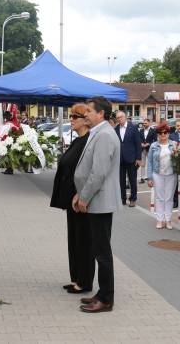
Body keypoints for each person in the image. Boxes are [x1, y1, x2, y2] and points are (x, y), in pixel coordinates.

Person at [73, 97, 121, 313]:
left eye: (90, 111)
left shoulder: (104, 135)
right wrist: (79, 193)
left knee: (102, 252)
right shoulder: (99, 132)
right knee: (98, 249)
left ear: (101, 114)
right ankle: (102, 294)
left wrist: (84, 198)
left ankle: (106, 299)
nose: (86, 114)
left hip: (99, 201)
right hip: (95, 199)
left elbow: (98, 172)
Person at [50, 104, 94, 295]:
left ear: (86, 120)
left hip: (81, 200)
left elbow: (91, 172)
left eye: (76, 116)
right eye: (71, 116)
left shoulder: (88, 142)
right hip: (71, 199)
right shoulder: (78, 141)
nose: (72, 119)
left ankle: (84, 282)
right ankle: (76, 277)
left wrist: (81, 195)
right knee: (74, 240)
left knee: (83, 241)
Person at [146, 123, 178, 229]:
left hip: (171, 174)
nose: (163, 134)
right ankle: (160, 220)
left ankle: (168, 220)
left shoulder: (174, 144)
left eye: (165, 132)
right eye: (160, 133)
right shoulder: (153, 146)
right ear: (158, 134)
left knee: (169, 198)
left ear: (168, 133)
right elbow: (149, 162)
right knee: (159, 198)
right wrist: (149, 177)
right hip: (157, 174)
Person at [115, 110, 142, 207]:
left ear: (125, 117)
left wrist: (138, 158)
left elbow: (138, 144)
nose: (119, 119)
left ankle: (133, 199)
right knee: (121, 181)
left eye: (121, 117)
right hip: (120, 159)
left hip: (132, 158)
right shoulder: (116, 129)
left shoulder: (133, 127)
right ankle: (122, 199)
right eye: (117, 118)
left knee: (132, 180)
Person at [139, 118, 156, 183]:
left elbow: (155, 140)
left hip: (150, 149)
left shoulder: (153, 131)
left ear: (149, 123)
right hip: (142, 149)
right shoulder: (140, 130)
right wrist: (141, 143)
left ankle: (150, 177)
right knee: (142, 164)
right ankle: (142, 178)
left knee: (150, 163)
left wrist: (149, 143)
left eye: (145, 123)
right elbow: (138, 139)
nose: (144, 124)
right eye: (144, 123)